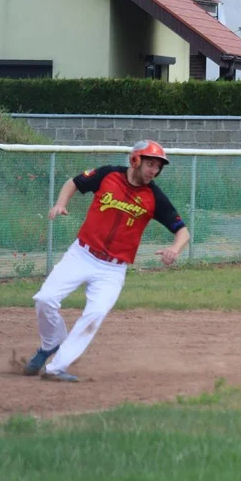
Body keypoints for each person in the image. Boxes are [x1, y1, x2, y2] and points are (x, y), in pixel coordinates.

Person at [24, 140, 190, 382]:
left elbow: (182, 231)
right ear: (135, 160)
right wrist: (61, 203)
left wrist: (175, 249)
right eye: (150, 163)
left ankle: (56, 368)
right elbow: (74, 182)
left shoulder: (154, 197)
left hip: (112, 269)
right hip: (81, 254)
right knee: (45, 300)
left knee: (95, 314)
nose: (154, 170)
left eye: (158, 167)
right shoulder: (107, 174)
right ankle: (51, 343)